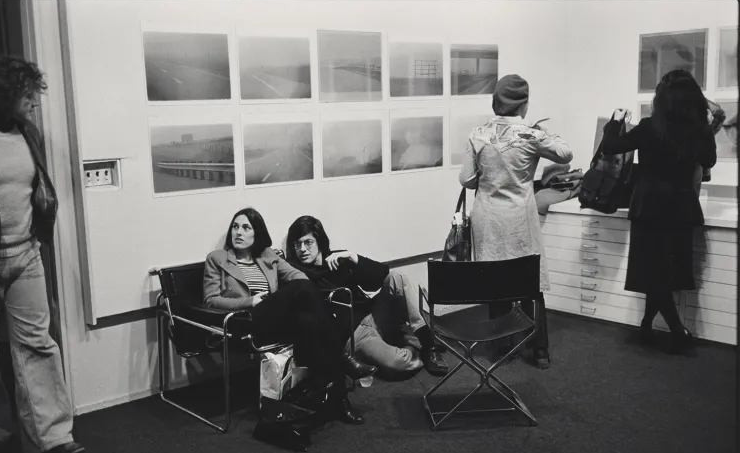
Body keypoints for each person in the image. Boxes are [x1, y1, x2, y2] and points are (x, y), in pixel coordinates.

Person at [0, 55, 85, 453]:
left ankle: (52, 437)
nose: (34, 103)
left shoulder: (28, 133)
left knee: (37, 345)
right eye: (27, 95)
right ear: (5, 95)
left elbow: (38, 185)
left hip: (26, 253)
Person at [202, 208, 376, 424]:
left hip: (274, 320)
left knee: (308, 320)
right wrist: (250, 301)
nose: (238, 232)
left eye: (246, 227)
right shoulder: (217, 259)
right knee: (305, 299)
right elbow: (210, 300)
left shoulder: (268, 256)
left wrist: (281, 296)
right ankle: (343, 371)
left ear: (257, 233)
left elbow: (300, 278)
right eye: (235, 227)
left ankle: (338, 396)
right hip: (244, 321)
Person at [459, 74, 574, 369]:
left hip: (488, 218)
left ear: (495, 102)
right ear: (523, 104)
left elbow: (467, 180)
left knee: (495, 281)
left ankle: (501, 347)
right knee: (530, 283)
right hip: (520, 218)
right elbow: (565, 154)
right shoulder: (531, 136)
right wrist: (542, 132)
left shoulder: (478, 134)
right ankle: (540, 350)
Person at [600, 69, 716, 355]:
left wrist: (614, 122)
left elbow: (611, 146)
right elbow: (709, 159)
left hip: (649, 207)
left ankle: (677, 330)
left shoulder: (650, 126)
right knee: (663, 272)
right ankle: (646, 325)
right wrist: (706, 124)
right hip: (681, 207)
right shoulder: (697, 129)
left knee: (656, 272)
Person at [284, 216, 449, 378]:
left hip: (373, 315)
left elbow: (381, 276)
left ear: (319, 240)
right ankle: (412, 343)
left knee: (397, 277)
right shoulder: (296, 273)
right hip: (356, 334)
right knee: (401, 363)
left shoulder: (336, 260)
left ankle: (428, 346)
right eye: (297, 245)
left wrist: (354, 258)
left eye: (308, 242)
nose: (303, 249)